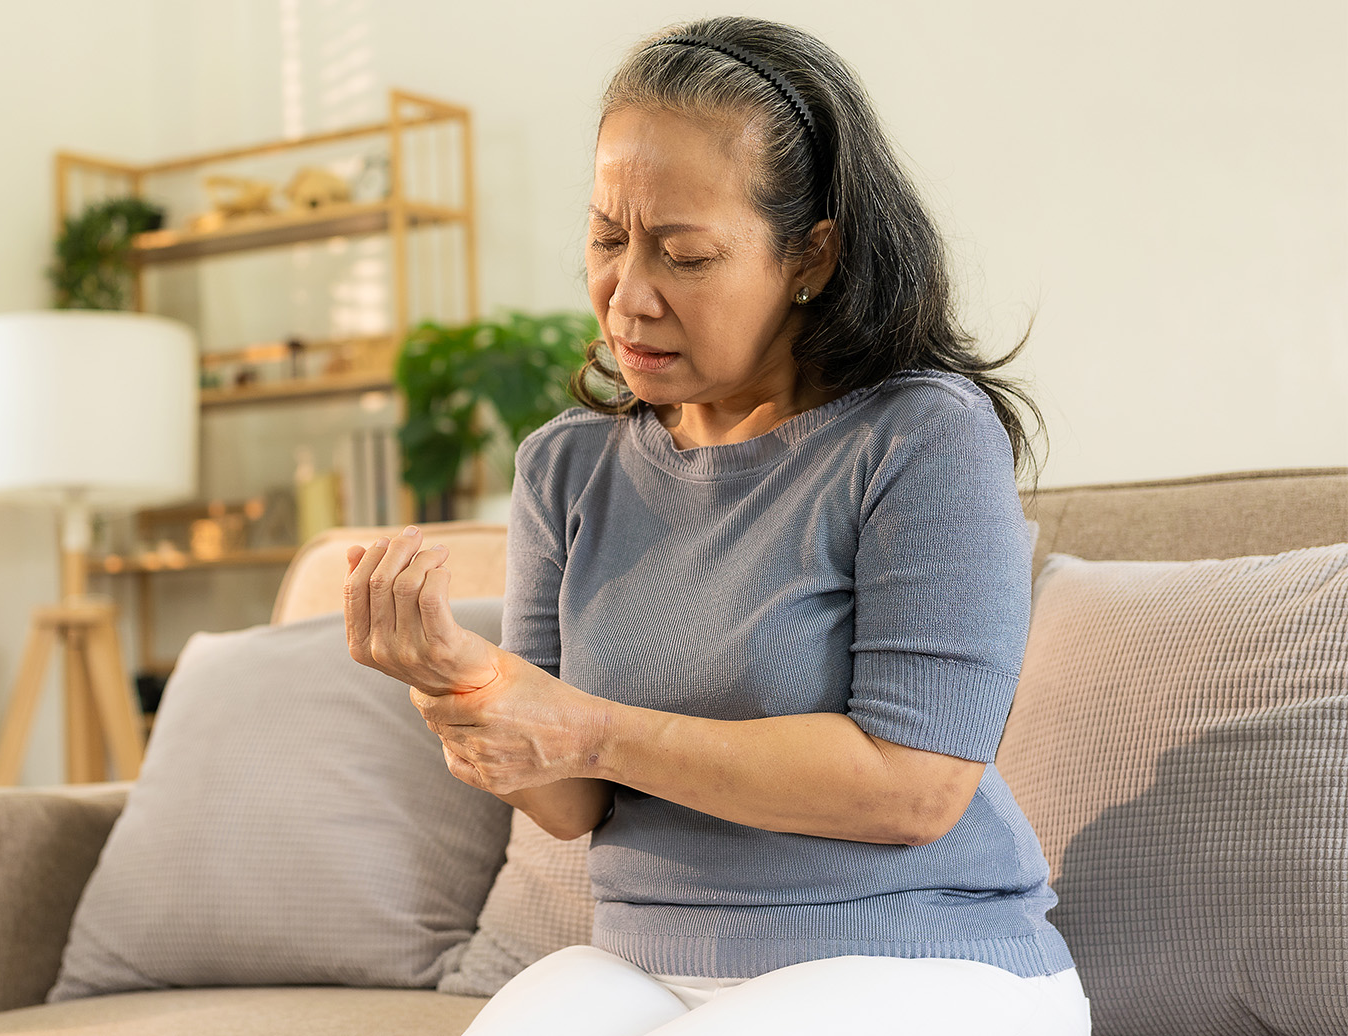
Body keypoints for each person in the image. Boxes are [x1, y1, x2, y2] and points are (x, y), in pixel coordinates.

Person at [341, 15, 1090, 1036]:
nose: (627, 295)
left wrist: (587, 723)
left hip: (924, 960)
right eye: (608, 238)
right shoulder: (565, 467)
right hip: (649, 960)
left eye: (684, 255)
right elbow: (575, 804)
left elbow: (914, 790)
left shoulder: (921, 436)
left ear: (810, 256)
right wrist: (464, 685)